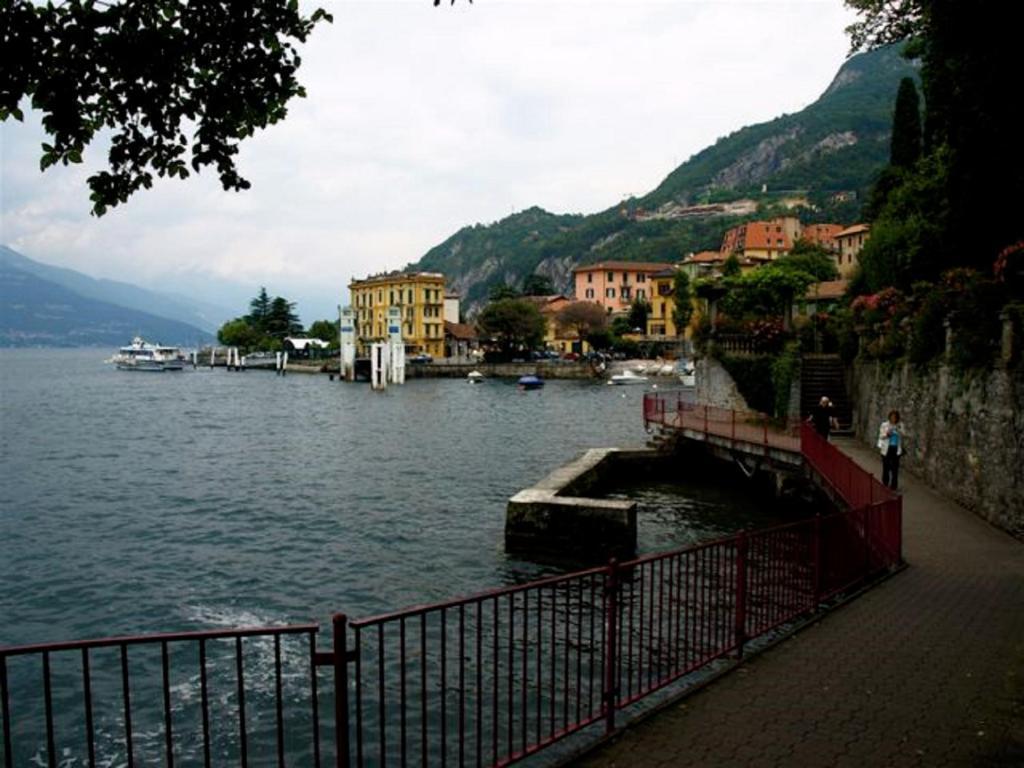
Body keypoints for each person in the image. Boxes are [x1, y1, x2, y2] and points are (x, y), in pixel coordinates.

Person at [877, 410, 904, 490]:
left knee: (895, 468)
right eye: (892, 417)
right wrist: (888, 434)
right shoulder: (884, 425)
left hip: (896, 449)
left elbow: (904, 434)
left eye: (895, 417)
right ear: (889, 417)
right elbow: (881, 436)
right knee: (886, 467)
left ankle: (894, 486)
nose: (893, 418)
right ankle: (885, 483)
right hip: (886, 449)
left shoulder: (900, 425)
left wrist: (899, 430)